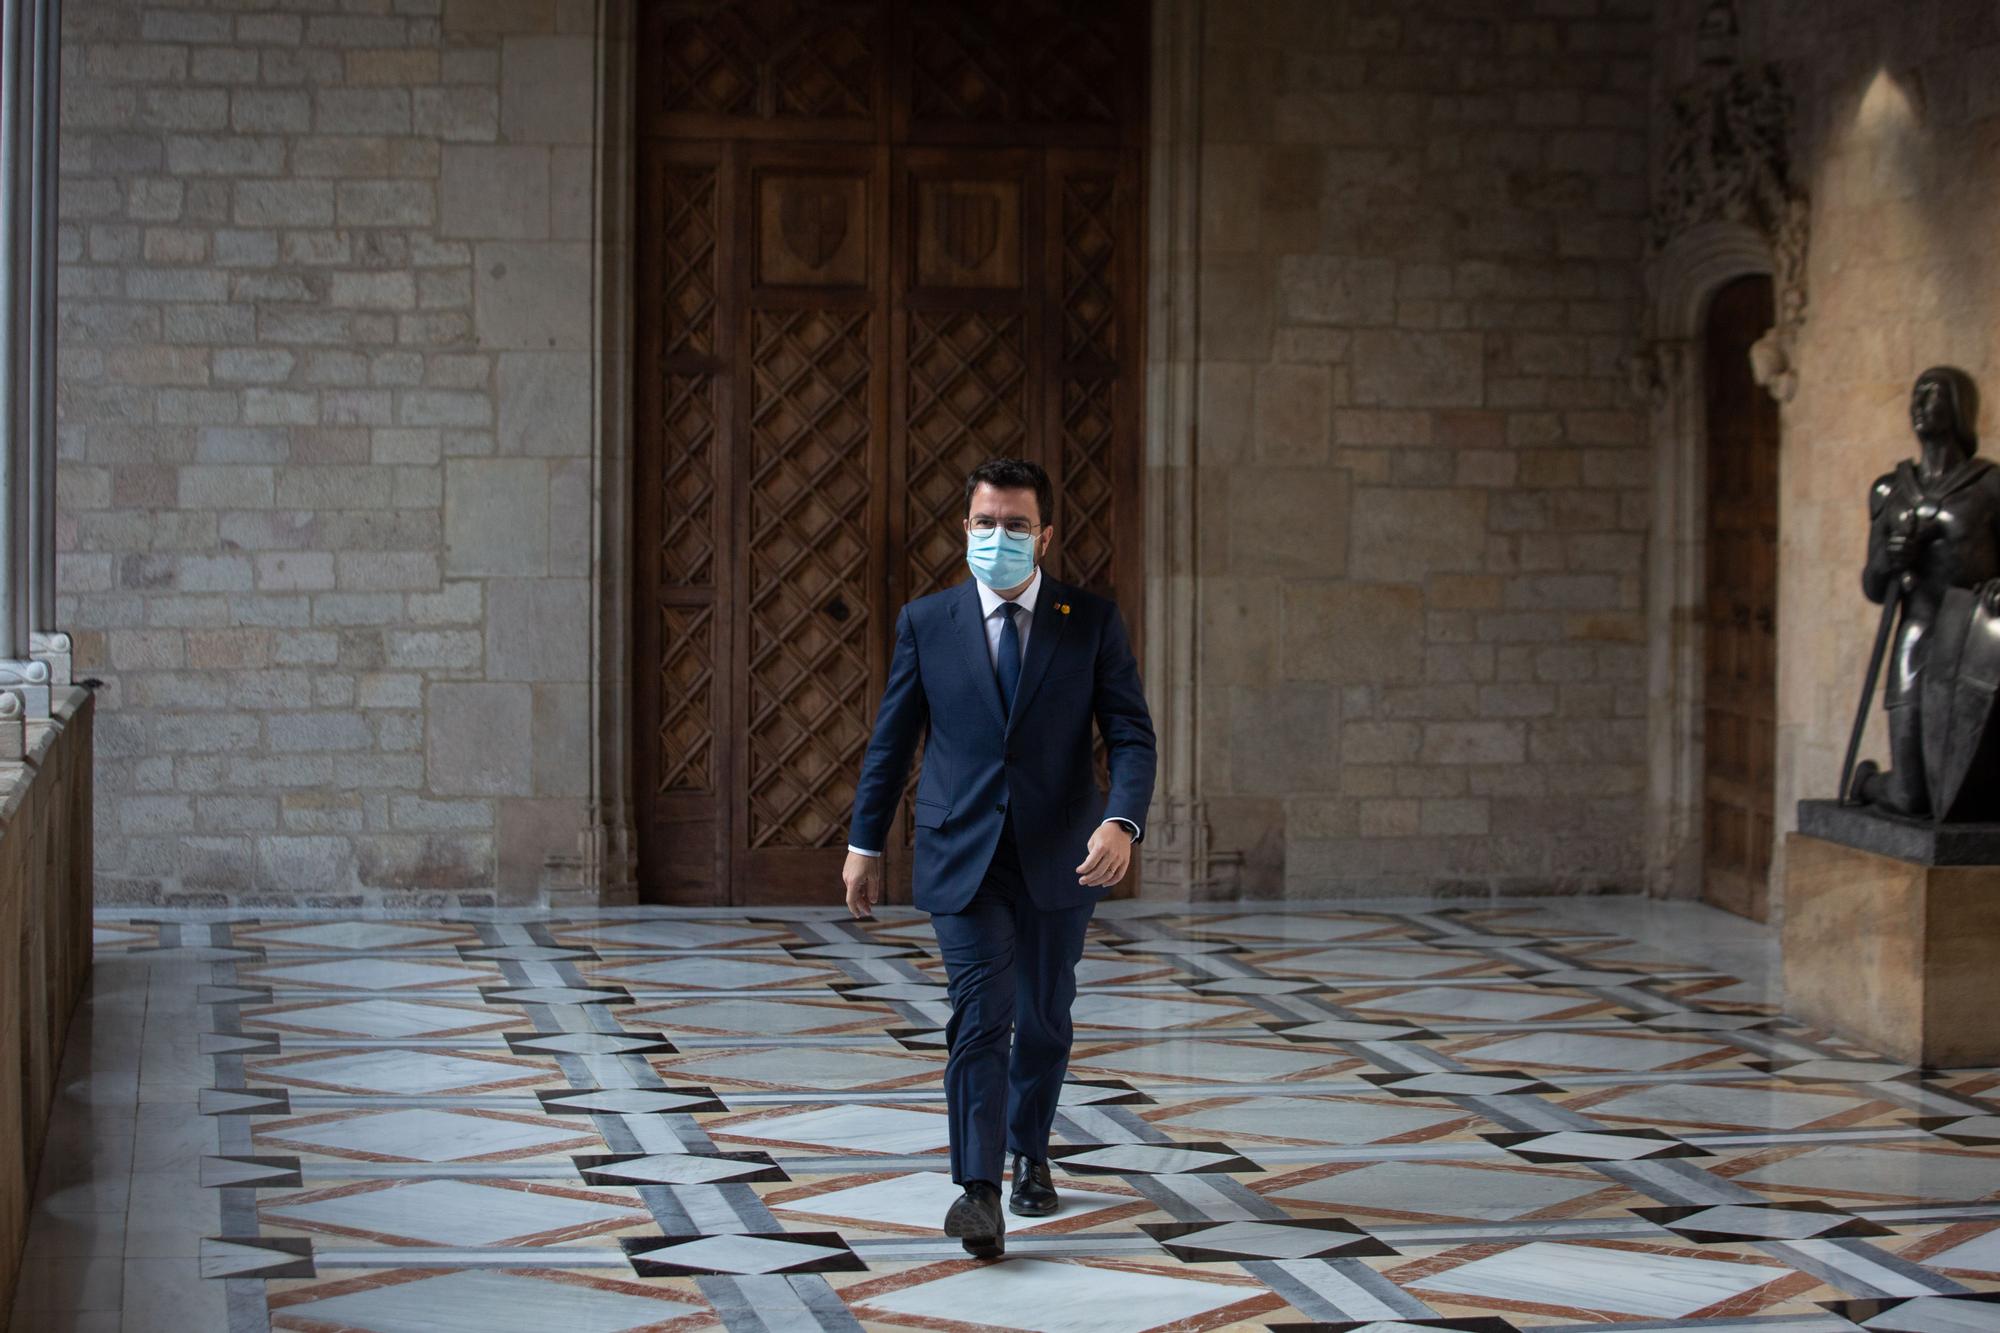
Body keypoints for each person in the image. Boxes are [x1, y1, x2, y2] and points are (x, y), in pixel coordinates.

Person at [842, 457, 1156, 1260]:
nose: (999, 537)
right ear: (965, 528)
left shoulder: (1087, 619)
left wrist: (1122, 820)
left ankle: (1032, 1151)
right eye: (985, 523)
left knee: (1045, 1019)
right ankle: (978, 1189)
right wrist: (864, 842)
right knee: (981, 1016)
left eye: (1016, 525)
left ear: (1044, 534)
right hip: (963, 852)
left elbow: (1130, 732)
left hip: (1064, 854)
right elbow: (893, 740)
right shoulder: (928, 621)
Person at [1852, 366, 2000, 816]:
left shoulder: (1990, 487)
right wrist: (1890, 560)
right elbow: (1874, 587)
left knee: (1956, 796)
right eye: (1916, 395)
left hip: (1972, 644)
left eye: (1932, 396)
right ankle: (1869, 783)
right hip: (1916, 635)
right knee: (1910, 797)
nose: (1919, 406)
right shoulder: (1891, 489)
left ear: (1958, 408)